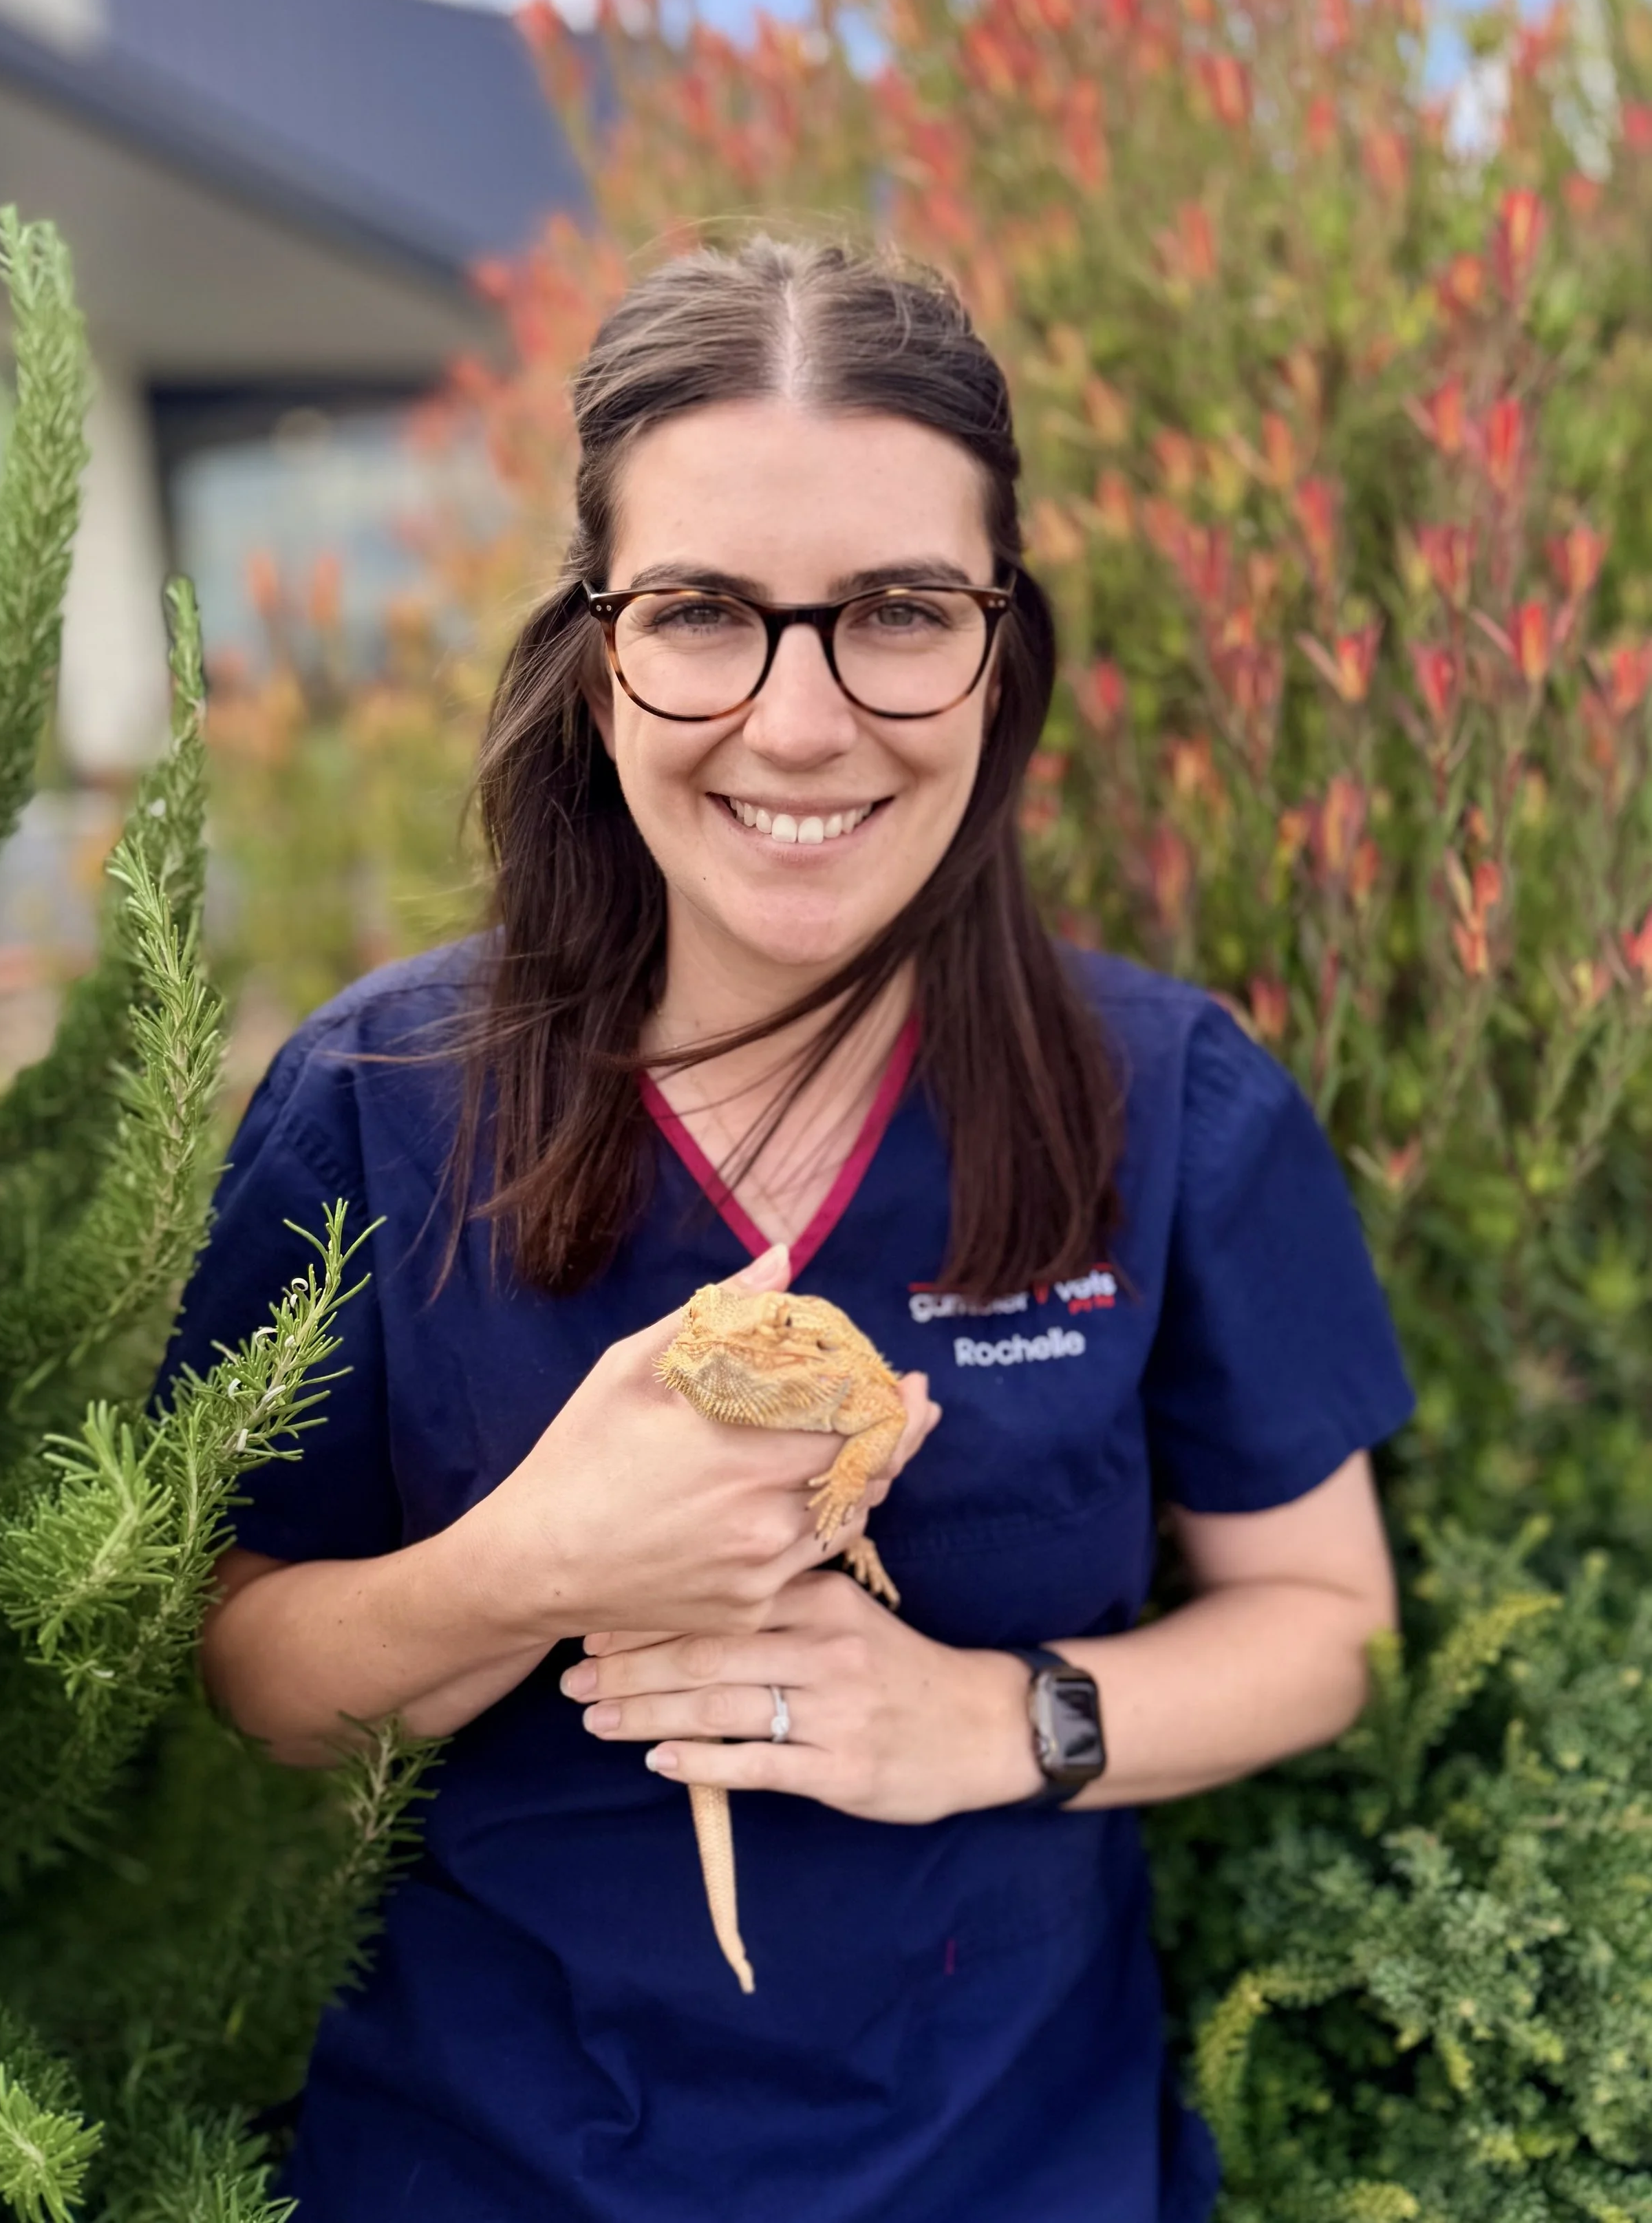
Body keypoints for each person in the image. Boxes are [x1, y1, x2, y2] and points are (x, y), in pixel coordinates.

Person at [164, 236, 1413, 2222]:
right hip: (482, 2170)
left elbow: (1325, 1622)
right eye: (703, 612)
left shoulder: (1163, 1099)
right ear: (594, 651)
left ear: (1002, 647)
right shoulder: (374, 1098)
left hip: (1018, 2171)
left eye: (899, 610)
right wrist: (530, 1561)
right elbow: (251, 1670)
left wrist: (997, 1718)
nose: (802, 719)